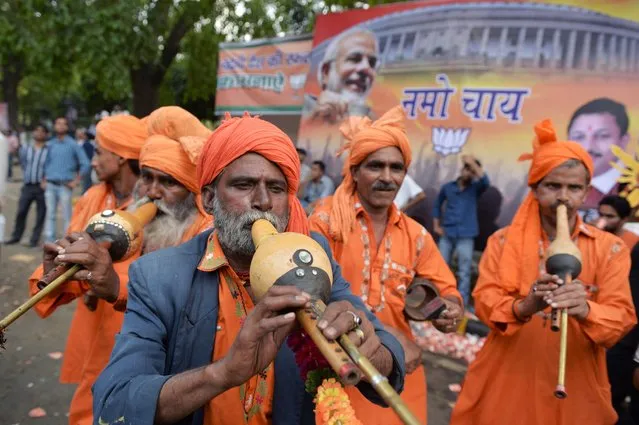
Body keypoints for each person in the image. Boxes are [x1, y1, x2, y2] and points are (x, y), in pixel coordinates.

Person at [93, 113, 406, 425]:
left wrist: (367, 346)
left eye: (277, 188)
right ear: (209, 199)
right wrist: (223, 373)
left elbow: (387, 351)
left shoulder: (311, 254)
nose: (263, 201)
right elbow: (115, 403)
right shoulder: (158, 275)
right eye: (244, 185)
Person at [27, 109, 212, 425]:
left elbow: (187, 305)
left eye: (168, 181)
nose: (153, 192)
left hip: (168, 373)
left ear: (196, 193)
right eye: (148, 178)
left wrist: (114, 286)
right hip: (106, 344)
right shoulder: (126, 213)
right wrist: (55, 274)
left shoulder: (205, 232)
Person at [450, 119, 637, 425]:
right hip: (508, 374)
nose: (563, 196)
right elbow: (485, 301)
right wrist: (524, 306)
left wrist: (586, 309)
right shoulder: (502, 242)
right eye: (553, 185)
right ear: (535, 189)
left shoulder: (610, 249)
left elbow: (622, 317)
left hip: (575, 383)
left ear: (586, 192)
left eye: (574, 187)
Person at [309, 106, 463, 425]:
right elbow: (311, 297)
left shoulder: (416, 234)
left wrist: (447, 310)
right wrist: (389, 334)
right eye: (375, 166)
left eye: (396, 168)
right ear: (353, 171)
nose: (387, 177)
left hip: (396, 369)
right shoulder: (324, 223)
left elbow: (445, 289)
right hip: (337, 364)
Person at [432, 154, 489, 310]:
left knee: (464, 272)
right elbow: (437, 205)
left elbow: (486, 181)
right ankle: (437, 302)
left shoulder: (476, 188)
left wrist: (473, 163)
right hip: (447, 233)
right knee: (441, 269)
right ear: (462, 169)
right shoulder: (448, 187)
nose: (469, 173)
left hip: (466, 235)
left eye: (472, 171)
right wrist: (436, 225)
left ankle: (461, 304)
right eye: (467, 169)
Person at [303, 28, 379, 123]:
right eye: (354, 59)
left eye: (372, 63)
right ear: (326, 72)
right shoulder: (301, 109)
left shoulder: (373, 121)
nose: (366, 68)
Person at [568, 98, 630, 208]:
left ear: (623, 140)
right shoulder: (550, 181)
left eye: (603, 136)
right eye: (579, 137)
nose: (588, 147)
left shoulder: (633, 185)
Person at [43, 117, 91, 243]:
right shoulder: (50, 144)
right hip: (50, 184)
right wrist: (43, 179)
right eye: (58, 123)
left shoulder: (73, 144)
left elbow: (85, 163)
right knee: (50, 214)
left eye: (63, 124)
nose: (60, 126)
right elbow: (45, 163)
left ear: (67, 127)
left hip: (65, 186)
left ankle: (67, 241)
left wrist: (77, 180)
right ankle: (49, 241)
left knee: (67, 216)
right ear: (54, 126)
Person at [5, 124, 49, 247]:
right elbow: (24, 163)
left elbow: (50, 166)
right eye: (37, 130)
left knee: (41, 214)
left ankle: (34, 240)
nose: (39, 133)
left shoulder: (49, 149)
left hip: (42, 186)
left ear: (46, 134)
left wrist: (45, 179)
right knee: (21, 211)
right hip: (28, 185)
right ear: (33, 133)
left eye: (42, 131)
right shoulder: (26, 148)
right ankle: (16, 236)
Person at [76, 127, 95, 193]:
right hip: (79, 168)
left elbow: (89, 157)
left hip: (85, 167)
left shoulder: (87, 144)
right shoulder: (76, 144)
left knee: (85, 185)